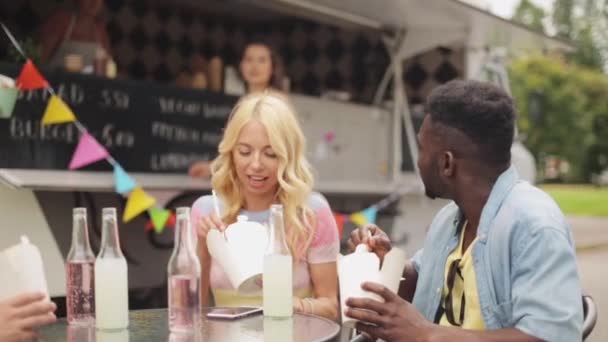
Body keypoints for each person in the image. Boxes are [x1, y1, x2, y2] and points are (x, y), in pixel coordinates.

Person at [345, 80, 583, 341]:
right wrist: (385, 261)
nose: (419, 161)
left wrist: (426, 335)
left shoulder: (535, 227)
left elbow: (550, 336)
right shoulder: (449, 218)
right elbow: (425, 280)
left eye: (422, 149)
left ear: (447, 164)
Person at [191, 92, 339, 321]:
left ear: (288, 157)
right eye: (245, 152)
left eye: (270, 154)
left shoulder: (312, 212)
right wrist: (203, 245)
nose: (256, 164)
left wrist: (289, 305)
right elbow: (190, 311)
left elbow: (330, 307)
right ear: (231, 152)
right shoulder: (206, 210)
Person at [188, 41, 286, 178]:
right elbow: (236, 147)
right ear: (241, 65)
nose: (254, 66)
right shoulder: (243, 102)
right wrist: (213, 166)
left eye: (262, 60)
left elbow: (280, 149)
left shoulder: (277, 101)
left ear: (273, 67)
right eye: (249, 59)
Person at [38, 0, 112, 74]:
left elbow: (105, 69)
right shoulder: (61, 21)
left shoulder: (101, 31)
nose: (94, 2)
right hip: (56, 82)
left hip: (87, 84)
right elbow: (40, 60)